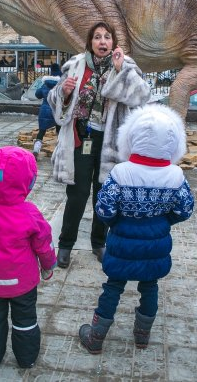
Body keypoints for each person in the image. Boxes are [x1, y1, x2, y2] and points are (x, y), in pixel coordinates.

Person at [78, 104, 195, 354]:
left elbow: (104, 208)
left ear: (132, 136)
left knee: (113, 285)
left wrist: (118, 223)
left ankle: (96, 337)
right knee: (150, 286)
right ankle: (142, 336)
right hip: (156, 243)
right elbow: (185, 209)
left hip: (122, 242)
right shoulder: (175, 175)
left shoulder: (121, 172)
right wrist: (163, 223)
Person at [47, 22, 151, 269]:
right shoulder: (75, 65)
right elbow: (53, 100)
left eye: (107, 37)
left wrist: (120, 71)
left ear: (113, 42)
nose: (102, 42)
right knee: (77, 195)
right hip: (81, 137)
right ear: (90, 42)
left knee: (104, 195)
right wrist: (63, 92)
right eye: (97, 37)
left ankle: (99, 243)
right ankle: (65, 245)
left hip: (111, 142)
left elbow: (142, 95)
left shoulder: (126, 66)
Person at [0, 146, 57, 369]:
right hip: (22, 283)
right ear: (29, 181)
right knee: (25, 320)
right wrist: (48, 265)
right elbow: (44, 244)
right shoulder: (30, 213)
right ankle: (26, 359)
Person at [33, 63, 62, 159]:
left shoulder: (45, 85)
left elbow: (37, 95)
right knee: (59, 132)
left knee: (41, 132)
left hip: (44, 111)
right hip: (57, 111)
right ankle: (59, 152)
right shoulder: (61, 86)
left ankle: (36, 150)